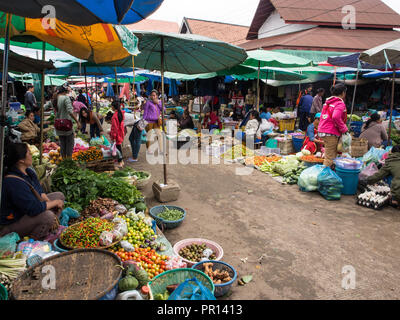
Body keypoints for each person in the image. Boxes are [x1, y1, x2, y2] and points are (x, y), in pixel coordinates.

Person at [0, 143, 65, 240]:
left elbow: (40, 193)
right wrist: (54, 204)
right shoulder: (13, 182)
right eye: (29, 153)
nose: (31, 156)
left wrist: (51, 203)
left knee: (59, 196)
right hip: (13, 222)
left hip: (28, 211)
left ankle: (49, 227)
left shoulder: (29, 172)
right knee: (48, 216)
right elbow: (34, 209)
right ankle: (34, 239)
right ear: (21, 160)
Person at [318, 83, 349, 167]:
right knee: (329, 157)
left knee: (332, 154)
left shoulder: (328, 102)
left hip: (324, 130)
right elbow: (335, 116)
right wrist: (344, 129)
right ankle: (324, 178)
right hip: (330, 132)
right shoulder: (339, 103)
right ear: (343, 93)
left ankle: (330, 173)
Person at [55, 86, 81, 159]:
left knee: (62, 144)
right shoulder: (65, 98)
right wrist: (77, 121)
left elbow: (44, 106)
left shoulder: (54, 99)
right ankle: (69, 161)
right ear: (64, 92)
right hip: (66, 126)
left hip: (58, 126)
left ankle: (64, 161)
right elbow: (70, 111)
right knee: (69, 144)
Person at [109, 101, 125, 167]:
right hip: (120, 132)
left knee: (118, 148)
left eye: (111, 106)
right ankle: (121, 161)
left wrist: (114, 137)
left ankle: (120, 162)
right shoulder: (121, 113)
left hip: (117, 134)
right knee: (119, 147)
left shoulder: (114, 116)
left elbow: (115, 128)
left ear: (113, 107)